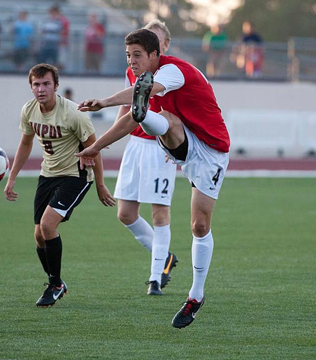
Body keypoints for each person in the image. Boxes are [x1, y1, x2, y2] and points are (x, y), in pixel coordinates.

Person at [77, 29, 230, 328]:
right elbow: (131, 111)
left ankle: (195, 296)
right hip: (181, 139)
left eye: (137, 56)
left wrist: (121, 100)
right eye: (128, 56)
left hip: (211, 150)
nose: (131, 62)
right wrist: (95, 143)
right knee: (156, 117)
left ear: (155, 55)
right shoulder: (145, 81)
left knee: (199, 225)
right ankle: (145, 113)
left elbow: (153, 87)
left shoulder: (173, 71)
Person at [4, 63, 116, 308]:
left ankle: (54, 284)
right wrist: (12, 177)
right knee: (38, 236)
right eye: (36, 84)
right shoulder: (29, 110)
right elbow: (25, 144)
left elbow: (94, 149)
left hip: (75, 176)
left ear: (56, 86)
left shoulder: (74, 114)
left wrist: (100, 185)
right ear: (31, 87)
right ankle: (56, 282)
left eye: (46, 84)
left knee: (47, 225)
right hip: (48, 175)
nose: (41, 89)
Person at [113, 19, 178, 297]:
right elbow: (128, 108)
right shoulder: (133, 71)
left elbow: (181, 115)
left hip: (159, 147)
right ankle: (164, 256)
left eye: (155, 38)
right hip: (136, 145)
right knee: (125, 213)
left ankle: (155, 278)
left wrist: (176, 149)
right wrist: (108, 141)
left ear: (162, 46)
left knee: (159, 212)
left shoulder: (173, 73)